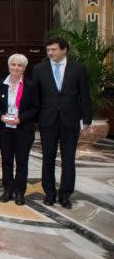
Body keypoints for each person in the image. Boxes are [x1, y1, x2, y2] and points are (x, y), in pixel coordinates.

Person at [32, 37, 91, 209]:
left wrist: (86, 119)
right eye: (48, 50)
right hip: (47, 121)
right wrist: (35, 119)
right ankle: (49, 193)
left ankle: (65, 195)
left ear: (64, 50)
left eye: (54, 49)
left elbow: (84, 95)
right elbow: (35, 97)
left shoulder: (78, 69)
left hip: (70, 121)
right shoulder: (39, 69)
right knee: (48, 158)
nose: (50, 53)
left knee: (68, 159)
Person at [0, 54, 39, 206]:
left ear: (24, 68)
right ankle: (7, 190)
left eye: (20, 65)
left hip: (23, 129)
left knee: (21, 162)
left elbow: (35, 108)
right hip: (4, 129)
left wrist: (21, 118)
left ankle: (20, 192)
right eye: (13, 64)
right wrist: (1, 117)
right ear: (8, 66)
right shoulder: (0, 83)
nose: (16, 68)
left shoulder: (30, 85)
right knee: (6, 161)